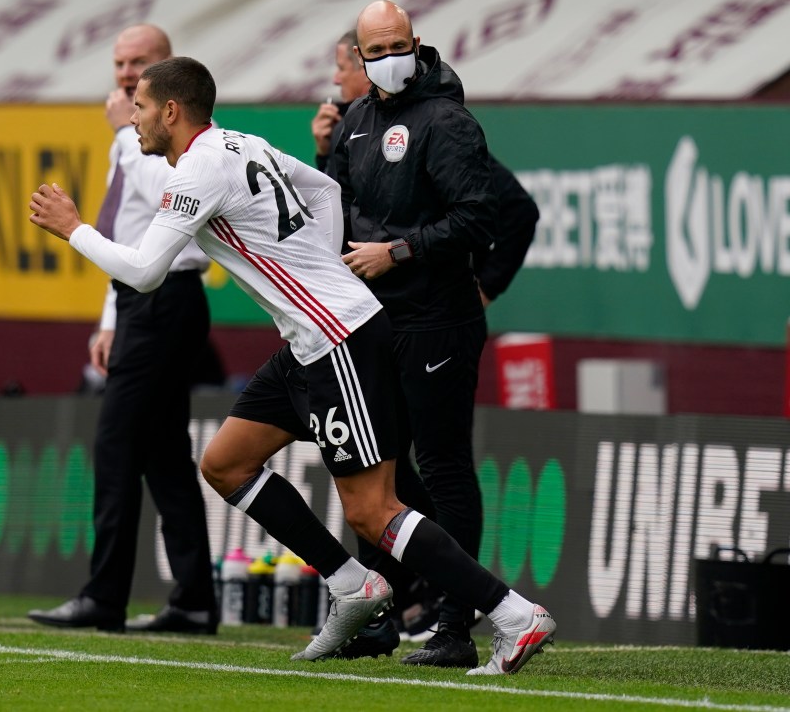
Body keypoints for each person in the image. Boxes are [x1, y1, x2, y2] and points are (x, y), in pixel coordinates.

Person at [28, 55, 556, 676]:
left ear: (171, 111)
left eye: (141, 108)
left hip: (339, 338)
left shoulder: (198, 169)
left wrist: (75, 229)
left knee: (372, 509)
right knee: (225, 463)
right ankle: (351, 584)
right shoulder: (240, 144)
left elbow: (145, 273)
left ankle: (513, 614)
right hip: (311, 338)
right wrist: (319, 264)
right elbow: (325, 189)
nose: (135, 119)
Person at [331, 0, 539, 668]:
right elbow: (337, 208)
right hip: (374, 321)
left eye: (400, 45)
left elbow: (481, 217)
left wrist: (399, 251)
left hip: (438, 318)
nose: (389, 58)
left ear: (416, 44)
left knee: (445, 467)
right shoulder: (357, 123)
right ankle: (380, 616)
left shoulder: (446, 121)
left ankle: (456, 624)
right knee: (373, 469)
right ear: (361, 58)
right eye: (376, 49)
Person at [27, 25, 218, 636]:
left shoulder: (162, 136)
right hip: (141, 300)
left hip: (168, 297)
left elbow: (169, 199)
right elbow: (129, 229)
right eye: (119, 62)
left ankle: (104, 597)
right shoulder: (133, 131)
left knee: (116, 446)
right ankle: (192, 599)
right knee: (163, 455)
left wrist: (120, 133)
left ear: (169, 74)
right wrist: (110, 319)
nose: (125, 73)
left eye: (140, 63)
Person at [310, 29, 371, 174]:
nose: (336, 80)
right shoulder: (343, 124)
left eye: (341, 68)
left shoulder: (359, 124)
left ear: (365, 69)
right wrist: (325, 153)